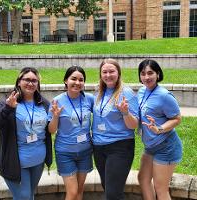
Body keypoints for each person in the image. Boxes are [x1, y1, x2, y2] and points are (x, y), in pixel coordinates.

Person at [0, 67, 52, 200]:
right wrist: (8, 108)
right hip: (15, 162)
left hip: (38, 160)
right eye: (26, 79)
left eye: (34, 80)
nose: (31, 83)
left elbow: (49, 129)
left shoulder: (43, 103)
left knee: (29, 195)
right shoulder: (7, 101)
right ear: (19, 82)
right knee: (24, 197)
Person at [92, 58, 139, 200]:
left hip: (120, 146)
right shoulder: (99, 92)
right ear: (100, 75)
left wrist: (125, 112)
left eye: (111, 71)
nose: (108, 75)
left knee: (113, 193)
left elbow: (134, 125)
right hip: (99, 147)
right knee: (108, 187)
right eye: (104, 72)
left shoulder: (127, 93)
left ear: (118, 73)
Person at [137, 59, 182, 200]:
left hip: (166, 147)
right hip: (150, 147)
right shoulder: (141, 91)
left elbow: (177, 118)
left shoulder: (164, 95)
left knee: (161, 189)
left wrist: (159, 128)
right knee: (143, 179)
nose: (146, 77)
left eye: (150, 73)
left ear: (158, 74)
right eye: (143, 73)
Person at [48, 65, 93, 200]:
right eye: (73, 79)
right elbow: (51, 130)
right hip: (65, 152)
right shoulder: (57, 101)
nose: (77, 83)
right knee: (72, 192)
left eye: (81, 80)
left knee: (79, 190)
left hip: (85, 151)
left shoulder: (89, 99)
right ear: (66, 80)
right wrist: (55, 116)